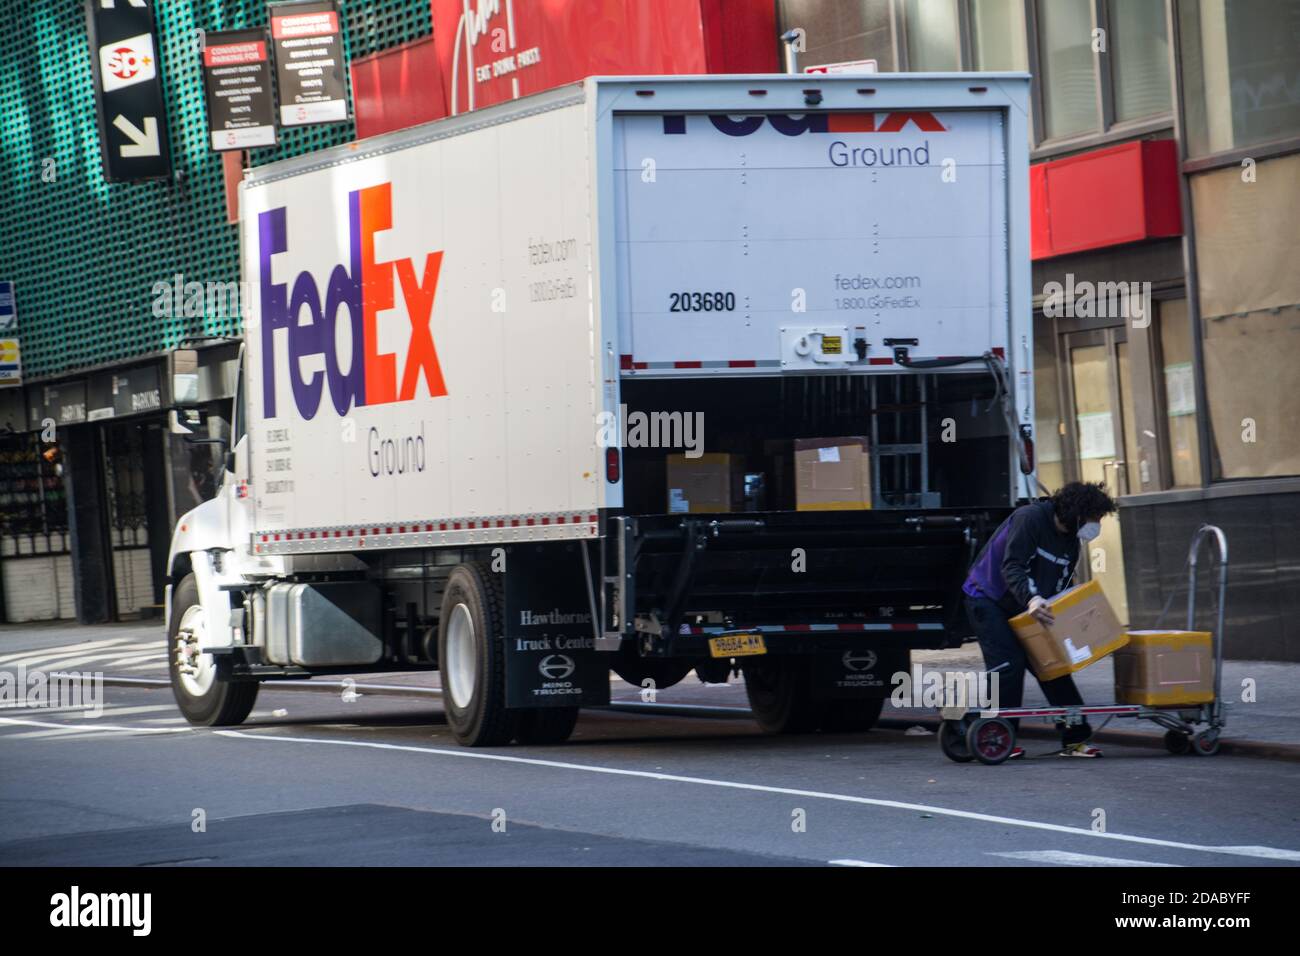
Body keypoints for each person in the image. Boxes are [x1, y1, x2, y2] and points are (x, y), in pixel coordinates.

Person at [962, 481, 1118, 758]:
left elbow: (1061, 586)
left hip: (1029, 606)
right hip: (989, 598)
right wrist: (1032, 598)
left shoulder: (1072, 543)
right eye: (1094, 518)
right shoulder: (1030, 519)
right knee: (1008, 665)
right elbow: (1013, 565)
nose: (1096, 526)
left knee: (1053, 665)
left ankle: (1075, 739)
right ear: (1077, 513)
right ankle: (1000, 736)